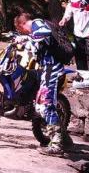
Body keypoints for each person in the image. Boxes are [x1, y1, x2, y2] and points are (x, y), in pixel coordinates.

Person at [15, 11, 69, 156]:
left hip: (52, 70)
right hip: (47, 70)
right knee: (39, 106)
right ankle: (64, 139)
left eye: (21, 29)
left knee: (46, 106)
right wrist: (26, 39)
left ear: (22, 24)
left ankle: (57, 145)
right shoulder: (35, 28)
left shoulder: (36, 23)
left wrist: (29, 37)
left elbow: (45, 33)